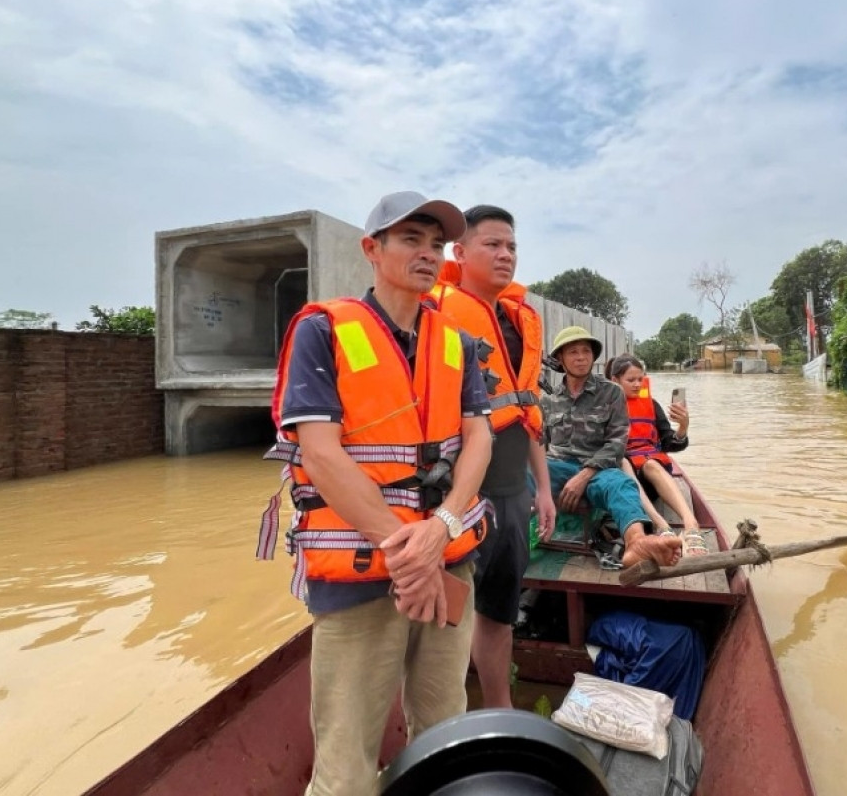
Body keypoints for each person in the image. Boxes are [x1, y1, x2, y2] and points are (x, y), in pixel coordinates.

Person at [258, 191, 494, 796]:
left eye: (437, 244)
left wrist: (440, 527)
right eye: (411, 239)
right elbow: (320, 452)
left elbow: (479, 440)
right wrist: (404, 553)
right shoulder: (322, 331)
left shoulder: (457, 343)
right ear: (372, 248)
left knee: (444, 734)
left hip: (448, 562)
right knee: (346, 764)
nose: (428, 254)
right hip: (362, 575)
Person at [427, 204, 556, 709]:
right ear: (460, 252)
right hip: (458, 498)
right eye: (493, 245)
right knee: (446, 616)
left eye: (512, 247)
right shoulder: (433, 314)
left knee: (500, 613)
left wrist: (541, 489)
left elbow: (528, 412)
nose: (506, 255)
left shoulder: (518, 321)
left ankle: (499, 707)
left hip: (512, 491)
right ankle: (442, 718)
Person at [540, 326, 683, 569]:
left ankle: (637, 543)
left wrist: (584, 476)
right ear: (560, 359)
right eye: (573, 352)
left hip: (598, 471)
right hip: (558, 467)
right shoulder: (548, 400)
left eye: (586, 351)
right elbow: (540, 446)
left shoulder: (611, 392)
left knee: (622, 484)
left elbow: (617, 443)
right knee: (520, 477)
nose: (581, 357)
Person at [604, 353, 707, 557]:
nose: (637, 385)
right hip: (624, 481)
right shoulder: (602, 407)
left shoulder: (651, 404)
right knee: (623, 461)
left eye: (640, 379)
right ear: (615, 381)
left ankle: (691, 524)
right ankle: (661, 525)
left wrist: (683, 427)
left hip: (651, 480)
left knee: (651, 464)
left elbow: (670, 443)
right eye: (631, 380)